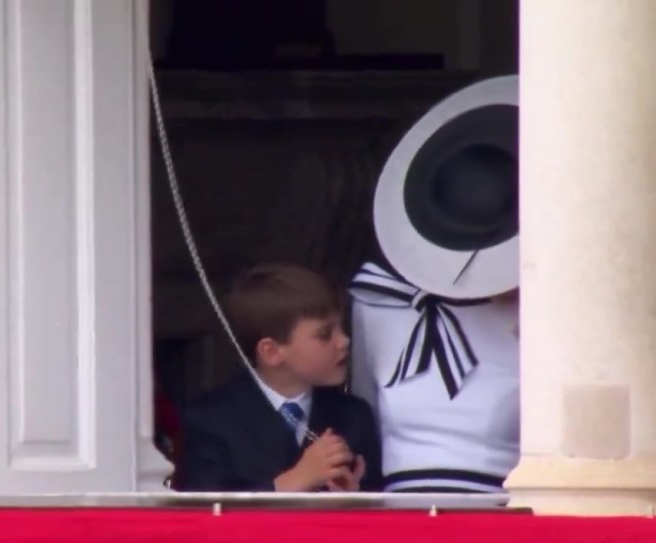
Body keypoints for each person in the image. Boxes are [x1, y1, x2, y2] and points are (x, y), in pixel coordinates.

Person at [349, 75, 521, 494]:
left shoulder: (545, 313)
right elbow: (362, 414)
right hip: (399, 519)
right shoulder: (377, 301)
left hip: (506, 518)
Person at [176, 262, 382, 492]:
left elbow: (377, 507)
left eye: (341, 328)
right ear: (272, 352)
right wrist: (294, 480)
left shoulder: (353, 416)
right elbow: (207, 511)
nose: (344, 341)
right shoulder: (211, 419)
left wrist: (353, 498)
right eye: (325, 334)